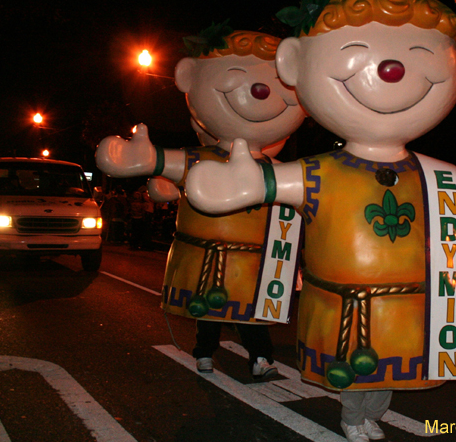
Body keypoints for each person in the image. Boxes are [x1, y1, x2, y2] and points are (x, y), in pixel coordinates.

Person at [184, 0, 456, 442]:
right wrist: (243, 182)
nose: (393, 70)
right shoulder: (322, 171)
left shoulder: (432, 173)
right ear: (296, 65)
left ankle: (369, 415)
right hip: (345, 301)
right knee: (358, 368)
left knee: (396, 369)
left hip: (410, 302)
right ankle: (353, 417)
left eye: (419, 57)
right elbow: (270, 185)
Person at [97, 30, 306, 378]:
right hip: (208, 255)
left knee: (252, 311)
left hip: (258, 261)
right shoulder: (198, 158)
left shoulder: (279, 171)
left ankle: (260, 358)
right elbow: (162, 163)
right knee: (210, 308)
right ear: (188, 77)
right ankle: (205, 351)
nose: (261, 91)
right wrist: (145, 159)